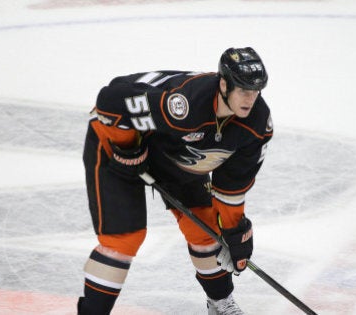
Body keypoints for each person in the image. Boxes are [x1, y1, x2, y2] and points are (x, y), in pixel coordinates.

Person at [78, 47, 273, 315]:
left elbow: (230, 189)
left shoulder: (257, 124)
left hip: (175, 149)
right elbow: (109, 101)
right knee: (124, 240)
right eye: (243, 90)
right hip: (117, 133)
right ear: (224, 84)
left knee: (207, 230)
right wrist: (127, 148)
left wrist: (234, 231)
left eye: (256, 91)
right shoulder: (184, 105)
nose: (250, 99)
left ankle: (220, 304)